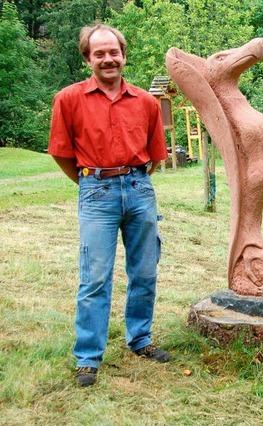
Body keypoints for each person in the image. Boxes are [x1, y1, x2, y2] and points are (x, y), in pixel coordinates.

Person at [48, 23, 170, 387]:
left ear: (123, 55)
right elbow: (61, 153)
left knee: (145, 271)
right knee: (95, 277)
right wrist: (89, 182)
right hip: (95, 190)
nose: (108, 59)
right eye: (99, 53)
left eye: (113, 52)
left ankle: (141, 339)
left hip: (138, 188)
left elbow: (156, 155)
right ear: (88, 58)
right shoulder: (68, 100)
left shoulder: (147, 103)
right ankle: (87, 357)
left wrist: (131, 179)